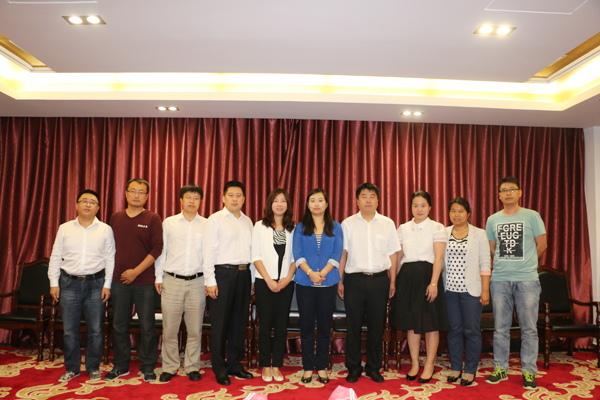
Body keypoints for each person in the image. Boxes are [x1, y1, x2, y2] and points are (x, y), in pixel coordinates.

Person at [485, 177, 547, 391]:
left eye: (512, 189)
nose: (508, 193)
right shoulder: (492, 219)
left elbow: (542, 245)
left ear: (520, 193)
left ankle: (529, 371)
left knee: (529, 329)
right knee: (500, 328)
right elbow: (492, 249)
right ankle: (500, 368)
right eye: (504, 190)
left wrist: (526, 264)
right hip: (500, 280)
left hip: (527, 279)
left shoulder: (532, 216)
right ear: (499, 195)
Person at [48, 189, 115, 382]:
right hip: (68, 284)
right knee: (69, 331)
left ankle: (93, 367)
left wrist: (107, 285)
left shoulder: (105, 229)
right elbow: (55, 256)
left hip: (96, 284)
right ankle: (72, 368)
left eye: (92, 202)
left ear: (98, 207)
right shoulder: (65, 228)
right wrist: (53, 283)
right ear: (76, 205)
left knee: (96, 331)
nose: (88, 204)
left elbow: (110, 259)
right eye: (84, 201)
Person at [338, 183, 401, 384]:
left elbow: (393, 254)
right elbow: (343, 254)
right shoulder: (347, 224)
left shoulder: (387, 223)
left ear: (378, 201)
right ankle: (354, 367)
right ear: (357, 200)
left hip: (380, 280)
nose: (368, 200)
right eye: (364, 196)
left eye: (372, 196)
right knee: (353, 326)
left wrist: (393, 281)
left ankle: (373, 367)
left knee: (376, 327)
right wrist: (339, 281)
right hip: (354, 280)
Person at [105, 178, 163, 382]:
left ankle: (148, 366)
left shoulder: (153, 218)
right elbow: (109, 248)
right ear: (126, 193)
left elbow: (157, 248)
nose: (136, 195)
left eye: (141, 192)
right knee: (119, 325)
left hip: (144, 281)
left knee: (147, 326)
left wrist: (135, 272)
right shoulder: (115, 218)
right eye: (133, 191)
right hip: (119, 280)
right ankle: (120, 365)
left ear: (147, 196)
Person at [392, 190, 448, 383]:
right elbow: (399, 257)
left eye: (423, 205)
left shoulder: (437, 227)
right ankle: (415, 363)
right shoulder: (403, 228)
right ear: (411, 208)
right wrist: (394, 281)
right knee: (411, 323)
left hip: (428, 276)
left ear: (430, 207)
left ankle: (430, 364)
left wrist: (434, 283)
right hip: (407, 277)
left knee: (431, 323)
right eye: (415, 205)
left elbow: (438, 258)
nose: (419, 209)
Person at [203, 180, 254, 386]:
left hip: (243, 274)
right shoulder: (215, 220)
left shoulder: (248, 221)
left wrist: (251, 279)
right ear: (223, 198)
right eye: (231, 195)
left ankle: (234, 363)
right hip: (222, 275)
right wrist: (210, 281)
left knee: (239, 322)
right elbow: (208, 252)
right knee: (220, 324)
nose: (235, 199)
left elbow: (251, 252)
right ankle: (219, 367)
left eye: (239, 195)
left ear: (244, 198)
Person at [155, 184, 207, 383]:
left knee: (195, 330)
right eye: (188, 197)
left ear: (200, 201)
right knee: (170, 329)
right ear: (181, 200)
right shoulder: (169, 223)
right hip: (172, 281)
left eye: (196, 198)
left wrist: (209, 281)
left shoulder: (207, 224)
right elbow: (162, 251)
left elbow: (209, 255)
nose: (192, 201)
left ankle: (192, 366)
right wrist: (158, 277)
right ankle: (169, 366)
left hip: (198, 282)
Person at [293, 188, 343, 384]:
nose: (316, 204)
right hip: (305, 283)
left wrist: (322, 273)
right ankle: (307, 367)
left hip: (328, 283)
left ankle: (321, 366)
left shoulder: (336, 227)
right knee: (306, 327)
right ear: (307, 204)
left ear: (326, 204)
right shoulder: (300, 227)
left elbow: (337, 253)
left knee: (324, 327)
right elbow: (297, 253)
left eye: (320, 200)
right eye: (312, 200)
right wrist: (311, 273)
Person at [443, 197, 491, 387]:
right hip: (449, 291)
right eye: (453, 211)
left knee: (471, 331)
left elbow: (485, 263)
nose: (457, 214)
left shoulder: (479, 234)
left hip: (471, 291)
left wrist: (485, 290)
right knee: (454, 330)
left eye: (461, 211)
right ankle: (456, 368)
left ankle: (470, 370)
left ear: (468, 214)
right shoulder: (444, 233)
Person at [252, 188, 297, 383]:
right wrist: (269, 280)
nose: (279, 204)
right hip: (264, 283)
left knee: (281, 325)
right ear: (270, 204)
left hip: (286, 283)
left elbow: (296, 257)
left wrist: (287, 278)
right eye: (276, 200)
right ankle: (265, 365)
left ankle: (277, 365)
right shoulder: (260, 226)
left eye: (283, 200)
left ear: (288, 205)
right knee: (265, 325)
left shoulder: (293, 228)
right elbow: (256, 256)